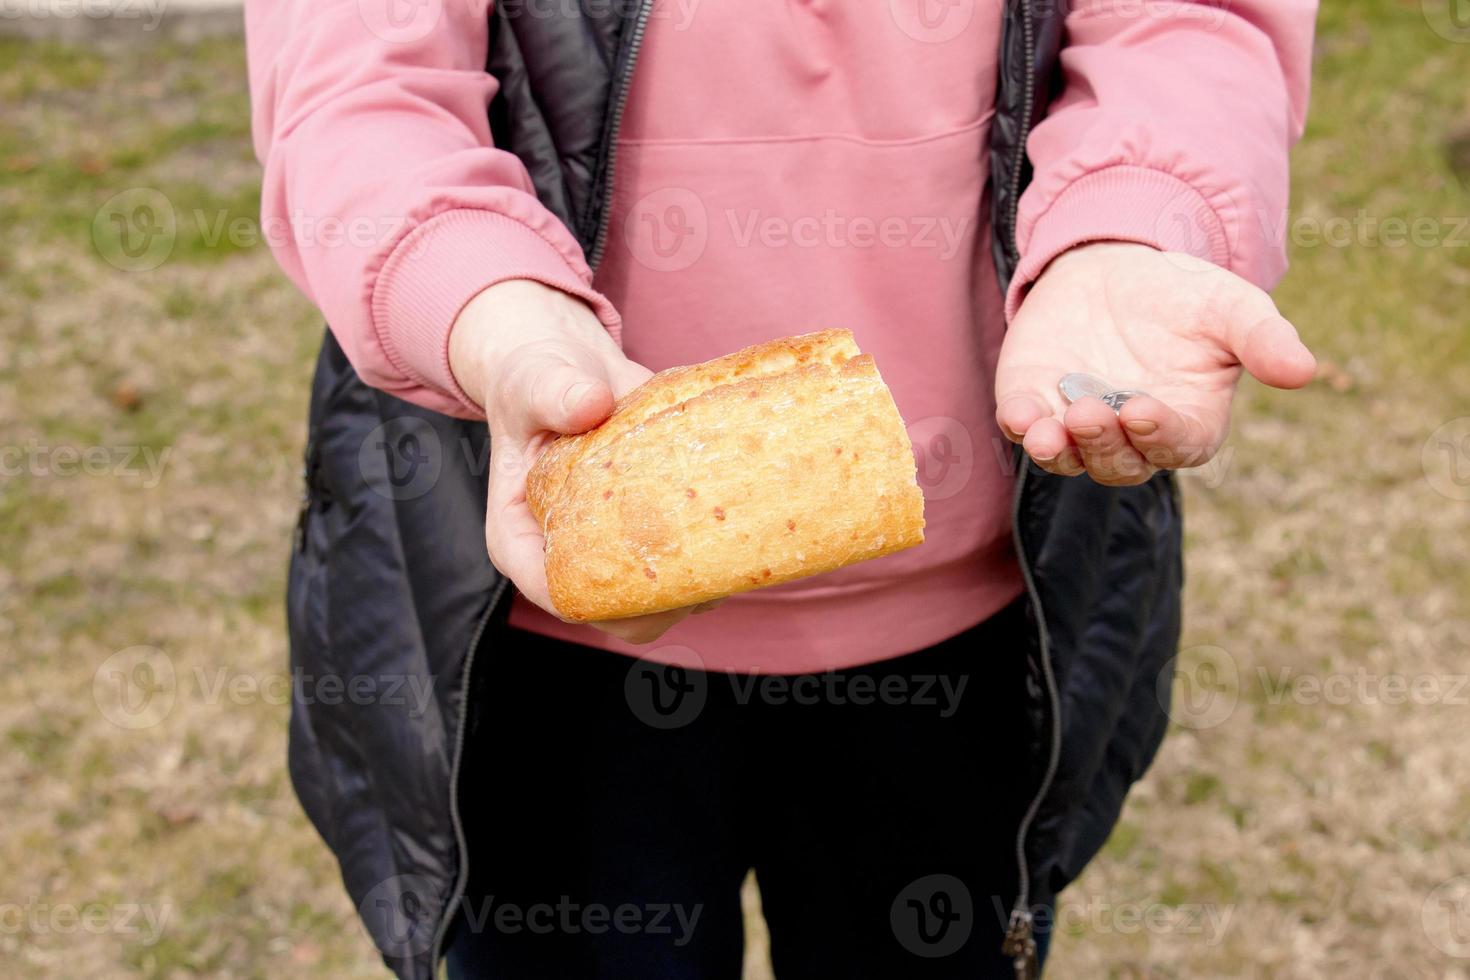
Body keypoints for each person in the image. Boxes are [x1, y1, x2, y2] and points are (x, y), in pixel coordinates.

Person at [245, 1, 1318, 976]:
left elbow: (1186, 20)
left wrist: (1132, 220)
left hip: (979, 618)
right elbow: (358, 84)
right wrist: (484, 306)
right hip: (534, 631)